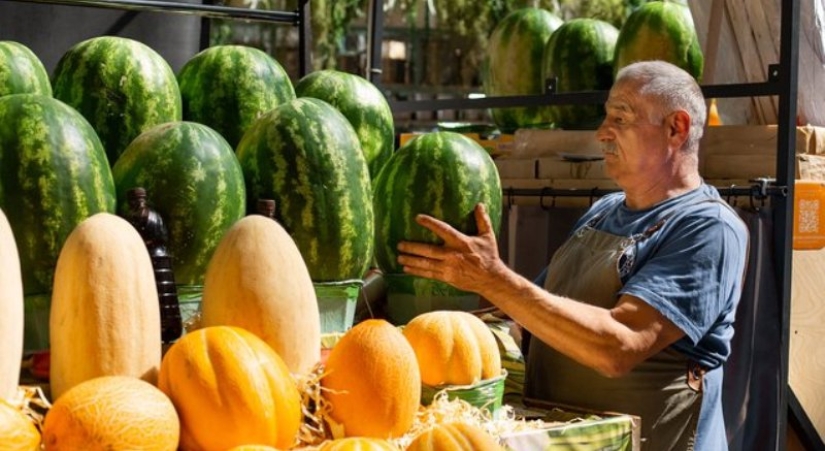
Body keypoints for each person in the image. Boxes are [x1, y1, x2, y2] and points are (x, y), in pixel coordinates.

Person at [397, 60, 749, 450]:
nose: (602, 133)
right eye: (605, 117)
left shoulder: (708, 228)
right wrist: (424, 302)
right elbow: (527, 319)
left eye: (620, 118)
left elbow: (621, 345)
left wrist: (494, 278)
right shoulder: (603, 211)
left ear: (675, 128)